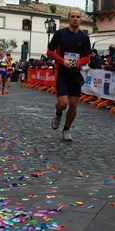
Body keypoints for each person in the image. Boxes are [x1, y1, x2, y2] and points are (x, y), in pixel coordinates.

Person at [46, 10, 91, 141]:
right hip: (62, 72)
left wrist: (77, 63)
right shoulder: (60, 34)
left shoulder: (84, 37)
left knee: (73, 104)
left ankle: (66, 129)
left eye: (78, 17)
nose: (75, 19)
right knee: (62, 102)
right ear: (68, 19)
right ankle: (58, 113)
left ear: (80, 19)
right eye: (73, 17)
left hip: (75, 74)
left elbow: (87, 57)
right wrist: (63, 61)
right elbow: (50, 51)